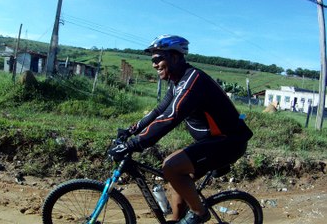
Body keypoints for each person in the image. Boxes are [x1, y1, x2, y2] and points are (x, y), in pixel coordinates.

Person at [108, 34, 253, 224]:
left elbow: (171, 117)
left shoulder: (193, 81)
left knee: (171, 167)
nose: (154, 64)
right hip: (212, 141)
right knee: (178, 182)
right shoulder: (177, 81)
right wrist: (131, 131)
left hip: (229, 142)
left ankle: (200, 213)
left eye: (158, 59)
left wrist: (134, 144)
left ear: (174, 57)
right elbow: (160, 110)